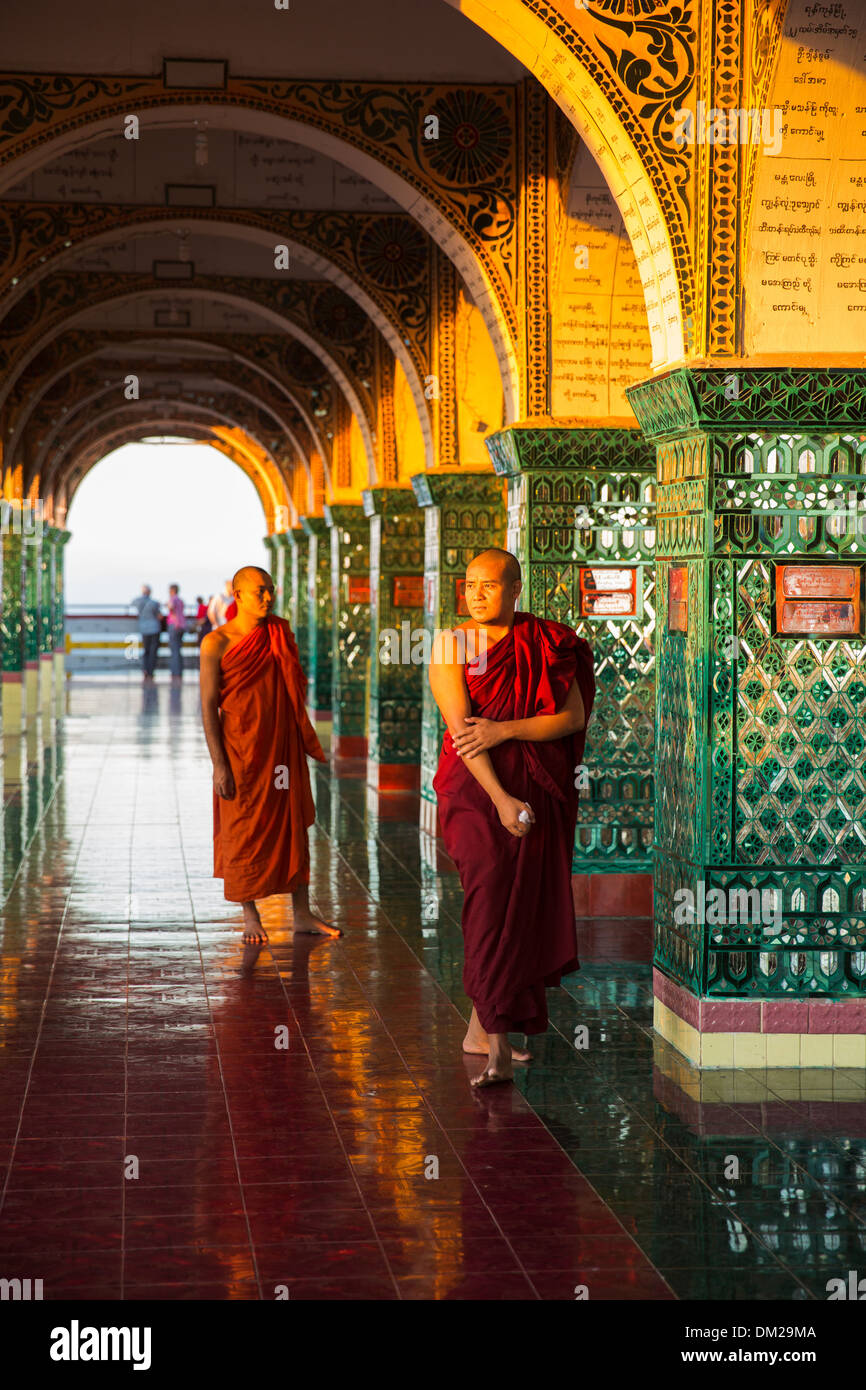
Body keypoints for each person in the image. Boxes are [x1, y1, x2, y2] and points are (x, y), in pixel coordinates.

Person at [429, 548, 595, 1088]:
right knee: (488, 899)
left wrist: (507, 730)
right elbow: (462, 732)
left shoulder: (546, 642)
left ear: (516, 589)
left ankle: (484, 1028)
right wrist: (500, 799)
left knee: (518, 906)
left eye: (490, 585)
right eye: (470, 584)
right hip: (476, 793)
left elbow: (570, 717)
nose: (476, 594)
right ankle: (496, 1046)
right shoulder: (450, 644)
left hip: (535, 787)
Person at [199, 564, 340, 945]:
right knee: (242, 826)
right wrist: (218, 765)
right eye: (259, 590)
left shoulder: (279, 632)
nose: (266, 597)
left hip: (281, 754)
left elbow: (293, 686)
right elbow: (208, 705)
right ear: (237, 593)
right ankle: (249, 915)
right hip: (241, 753)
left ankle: (302, 913)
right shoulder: (217, 642)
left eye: (270, 590)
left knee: (290, 823)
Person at [130, 584, 162, 680]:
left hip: (144, 628)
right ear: (150, 592)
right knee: (153, 651)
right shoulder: (154, 603)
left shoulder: (137, 601)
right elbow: (159, 616)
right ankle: (151, 671)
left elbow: (132, 604)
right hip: (154, 628)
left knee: (146, 650)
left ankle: (145, 669)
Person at [166, 583, 185, 680]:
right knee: (178, 649)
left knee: (174, 650)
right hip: (182, 625)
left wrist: (167, 604)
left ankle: (175, 672)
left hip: (174, 625)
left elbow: (171, 607)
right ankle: (179, 671)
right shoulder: (181, 600)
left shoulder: (172, 599)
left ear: (172, 591)